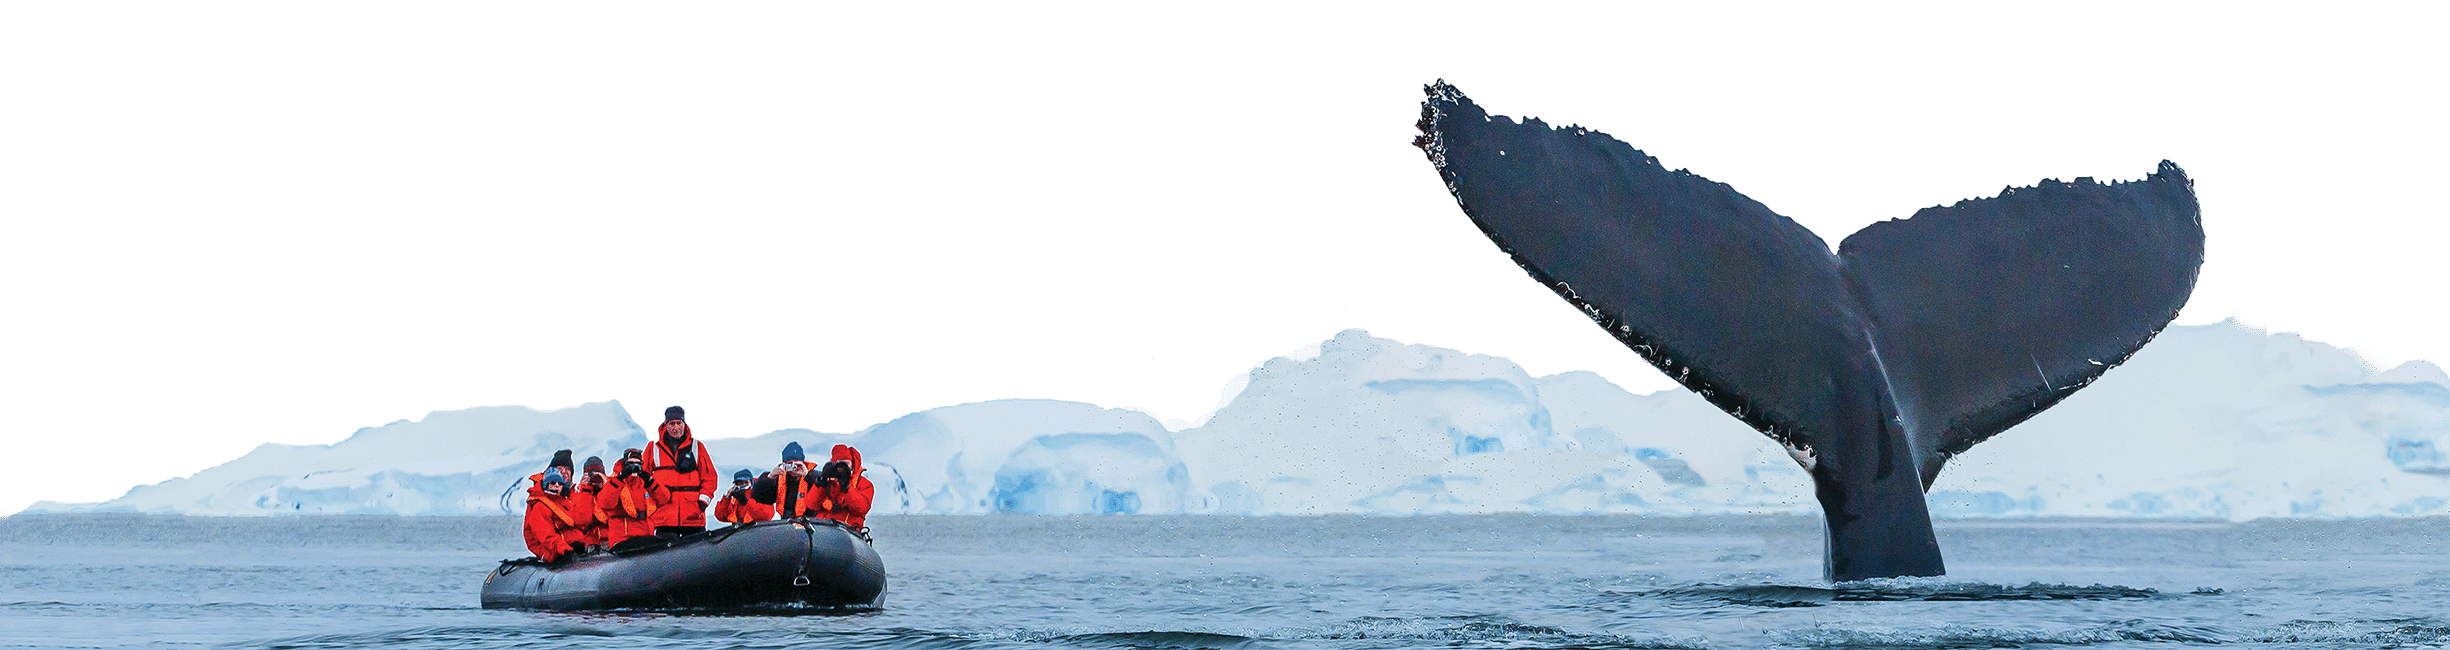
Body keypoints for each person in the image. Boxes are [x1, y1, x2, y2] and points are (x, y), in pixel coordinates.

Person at [644, 405, 720, 536]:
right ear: (665, 425)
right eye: (672, 424)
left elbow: (710, 477)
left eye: (679, 423)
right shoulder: (653, 449)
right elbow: (642, 479)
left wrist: (702, 502)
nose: (676, 428)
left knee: (698, 548)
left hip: (693, 518)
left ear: (684, 424)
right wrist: (650, 502)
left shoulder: (697, 447)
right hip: (663, 519)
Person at [597, 448, 665, 547]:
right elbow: (605, 503)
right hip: (622, 539)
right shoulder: (614, 481)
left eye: (638, 464)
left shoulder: (644, 482)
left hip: (646, 536)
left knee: (669, 539)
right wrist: (620, 479)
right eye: (631, 464)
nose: (635, 467)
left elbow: (664, 499)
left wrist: (650, 482)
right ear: (624, 465)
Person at [522, 468, 586, 563]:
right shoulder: (540, 506)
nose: (557, 485)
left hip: (574, 548)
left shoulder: (563, 502)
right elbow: (546, 535)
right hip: (556, 552)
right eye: (553, 482)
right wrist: (564, 550)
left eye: (560, 483)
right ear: (546, 485)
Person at [811, 444, 875, 530]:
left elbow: (862, 509)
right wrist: (820, 484)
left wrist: (847, 488)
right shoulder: (828, 481)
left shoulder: (864, 484)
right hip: (823, 528)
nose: (843, 468)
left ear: (852, 464)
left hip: (848, 529)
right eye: (840, 464)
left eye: (847, 463)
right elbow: (812, 505)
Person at [751, 442, 821, 519]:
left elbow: (824, 491)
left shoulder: (816, 477)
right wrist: (770, 477)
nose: (793, 468)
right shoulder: (779, 479)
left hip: (812, 521)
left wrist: (807, 475)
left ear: (803, 462)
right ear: (784, 464)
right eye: (789, 464)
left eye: (796, 464)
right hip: (786, 522)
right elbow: (758, 497)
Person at [572, 456, 610, 548]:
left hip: (613, 538)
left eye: (598, 475)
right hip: (593, 542)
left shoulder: (613, 488)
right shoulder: (579, 495)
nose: (595, 479)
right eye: (592, 476)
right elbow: (582, 521)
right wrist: (586, 490)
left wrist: (607, 487)